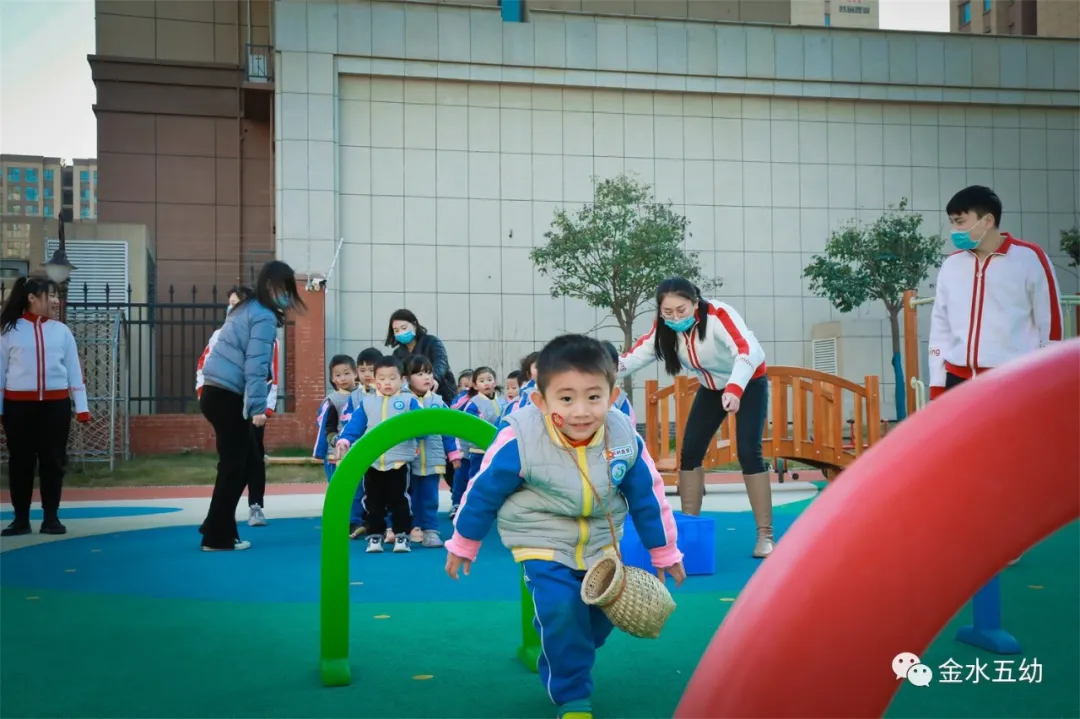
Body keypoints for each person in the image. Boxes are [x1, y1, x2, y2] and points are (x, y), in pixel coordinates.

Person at [445, 334, 685, 719]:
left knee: (599, 619)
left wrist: (664, 550)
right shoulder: (521, 437)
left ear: (612, 394)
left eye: (594, 397)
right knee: (561, 609)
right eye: (566, 398)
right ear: (541, 401)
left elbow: (647, 495)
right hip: (540, 537)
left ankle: (564, 649)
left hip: (601, 541)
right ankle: (573, 697)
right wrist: (464, 542)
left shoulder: (623, 435)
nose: (581, 411)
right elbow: (484, 490)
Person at [930, 185, 1062, 566]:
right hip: (958, 378)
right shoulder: (952, 265)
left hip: (1010, 381)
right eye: (952, 222)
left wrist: (1043, 384)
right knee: (960, 462)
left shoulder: (1029, 259)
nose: (954, 229)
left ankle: (1009, 535)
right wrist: (937, 384)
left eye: (961, 221)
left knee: (1007, 463)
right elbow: (939, 328)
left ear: (987, 221)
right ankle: (969, 530)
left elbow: (1050, 326)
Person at [618, 277, 773, 558]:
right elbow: (634, 358)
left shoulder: (718, 315)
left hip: (748, 382)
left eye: (682, 310)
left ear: (695, 302)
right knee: (689, 452)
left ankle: (765, 535)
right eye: (668, 312)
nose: (675, 317)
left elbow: (748, 350)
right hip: (712, 388)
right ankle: (689, 530)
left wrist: (736, 389)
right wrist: (595, 372)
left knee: (749, 451)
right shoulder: (663, 329)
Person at [198, 261, 304, 552]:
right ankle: (216, 536)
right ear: (269, 287)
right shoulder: (263, 316)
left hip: (216, 391)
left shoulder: (246, 309)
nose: (286, 295)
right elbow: (256, 365)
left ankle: (216, 527)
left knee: (236, 465)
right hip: (227, 394)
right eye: (282, 289)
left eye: (288, 290)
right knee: (236, 467)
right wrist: (258, 408)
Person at [0, 276, 91, 536]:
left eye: (56, 295)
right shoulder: (9, 331)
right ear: (32, 298)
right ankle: (20, 519)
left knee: (53, 461)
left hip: (56, 407)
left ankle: (51, 518)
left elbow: (75, 371)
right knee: (20, 462)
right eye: (49, 295)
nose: (55, 300)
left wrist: (82, 407)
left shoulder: (61, 331)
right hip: (18, 408)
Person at [196, 285, 280, 527]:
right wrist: (204, 393)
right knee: (233, 464)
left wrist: (264, 408)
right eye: (230, 302)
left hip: (251, 405)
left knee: (248, 459)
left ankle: (250, 508)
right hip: (231, 402)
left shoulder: (261, 331)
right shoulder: (222, 333)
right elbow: (205, 366)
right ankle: (217, 523)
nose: (232, 307)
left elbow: (267, 372)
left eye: (237, 303)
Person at [335, 356, 423, 553]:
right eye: (381, 378)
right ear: (374, 381)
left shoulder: (410, 402)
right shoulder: (367, 403)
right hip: (373, 462)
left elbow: (424, 427)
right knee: (373, 502)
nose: (387, 383)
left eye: (392, 378)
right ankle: (375, 536)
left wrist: (415, 432)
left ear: (402, 380)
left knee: (400, 501)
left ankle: (402, 535)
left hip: (398, 462)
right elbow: (355, 425)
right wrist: (345, 439)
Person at [404, 354, 462, 547]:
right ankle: (412, 527)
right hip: (408, 460)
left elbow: (448, 429)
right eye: (420, 373)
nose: (426, 377)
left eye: (428, 372)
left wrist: (452, 452)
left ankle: (431, 529)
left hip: (432, 458)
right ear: (407, 378)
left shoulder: (437, 401)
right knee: (409, 494)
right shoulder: (402, 401)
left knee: (430, 496)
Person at [386, 310, 456, 406]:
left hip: (441, 393)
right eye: (396, 330)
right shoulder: (397, 354)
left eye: (404, 328)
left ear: (414, 325)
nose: (401, 332)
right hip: (411, 399)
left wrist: (434, 379)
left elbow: (441, 362)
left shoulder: (432, 342)